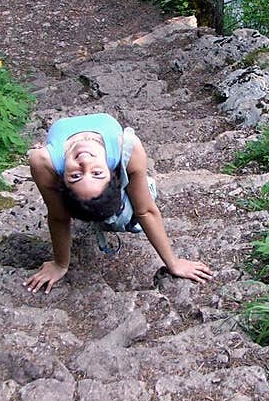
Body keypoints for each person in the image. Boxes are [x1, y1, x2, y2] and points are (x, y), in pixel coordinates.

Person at [24, 112, 213, 294]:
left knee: (132, 208)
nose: (84, 162)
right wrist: (60, 264)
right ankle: (106, 212)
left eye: (76, 175)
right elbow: (59, 217)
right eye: (96, 173)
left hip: (121, 176)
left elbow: (145, 210)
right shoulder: (126, 148)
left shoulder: (44, 160)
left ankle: (117, 209)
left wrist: (173, 262)